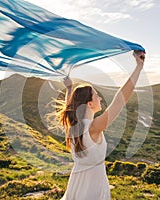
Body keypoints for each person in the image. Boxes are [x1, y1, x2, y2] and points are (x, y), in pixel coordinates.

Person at [59, 51, 145, 200]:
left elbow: (70, 106)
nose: (99, 97)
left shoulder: (73, 126)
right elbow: (120, 100)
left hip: (77, 182)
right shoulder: (93, 127)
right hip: (93, 185)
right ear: (90, 103)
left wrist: (69, 89)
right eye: (96, 95)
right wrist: (138, 67)